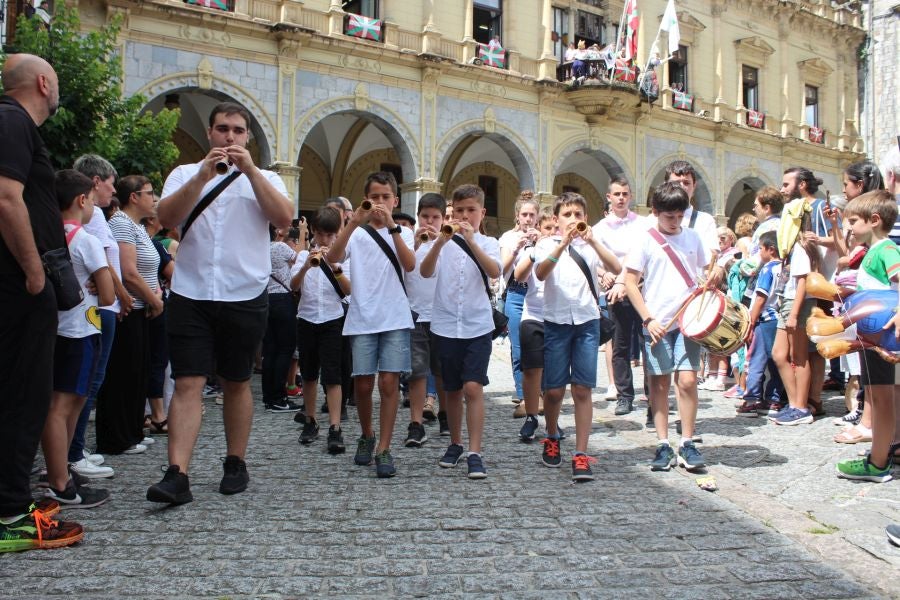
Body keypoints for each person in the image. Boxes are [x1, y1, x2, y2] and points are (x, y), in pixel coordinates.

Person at [147, 102, 293, 504]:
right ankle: (177, 473)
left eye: (238, 130)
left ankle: (235, 460)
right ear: (210, 133)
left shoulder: (266, 178)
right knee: (189, 381)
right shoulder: (183, 173)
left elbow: (283, 218)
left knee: (237, 381)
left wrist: (249, 172)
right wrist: (201, 176)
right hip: (192, 291)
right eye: (223, 129)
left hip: (243, 292)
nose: (230, 137)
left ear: (248, 137)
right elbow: (167, 217)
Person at [0, 53, 85, 552]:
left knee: (22, 392)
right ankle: (11, 513)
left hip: (17, 283)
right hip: (17, 283)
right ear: (43, 83)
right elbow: (7, 198)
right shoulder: (12, 119)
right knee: (23, 393)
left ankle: (10, 500)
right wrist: (35, 273)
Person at [326, 171, 415, 478]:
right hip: (362, 316)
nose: (379, 203)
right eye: (374, 197)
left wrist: (392, 226)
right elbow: (332, 258)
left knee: (389, 383)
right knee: (363, 385)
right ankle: (367, 434)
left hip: (394, 317)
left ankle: (385, 448)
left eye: (385, 197)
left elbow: (410, 265)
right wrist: (353, 222)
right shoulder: (358, 233)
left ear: (395, 200)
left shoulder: (402, 232)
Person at [534, 192, 620, 481]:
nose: (573, 220)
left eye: (578, 215)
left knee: (583, 389)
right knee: (555, 390)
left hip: (586, 322)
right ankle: (552, 434)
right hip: (557, 322)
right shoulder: (547, 243)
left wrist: (592, 240)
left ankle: (581, 453)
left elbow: (617, 268)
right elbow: (541, 273)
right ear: (556, 220)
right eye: (567, 215)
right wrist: (562, 244)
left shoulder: (592, 245)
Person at [624, 182, 710, 472]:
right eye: (668, 217)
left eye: (679, 217)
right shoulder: (645, 239)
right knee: (659, 384)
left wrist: (715, 274)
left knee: (686, 381)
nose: (675, 223)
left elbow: (705, 272)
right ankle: (663, 443)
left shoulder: (693, 237)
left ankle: (687, 441)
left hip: (688, 320)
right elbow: (630, 283)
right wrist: (648, 318)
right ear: (656, 213)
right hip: (657, 322)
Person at [41, 169, 114, 508]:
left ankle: (62, 470)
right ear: (82, 200)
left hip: (52, 329)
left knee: (65, 404)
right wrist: (100, 286)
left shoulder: (45, 234)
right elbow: (110, 294)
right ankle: (60, 482)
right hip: (80, 330)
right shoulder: (86, 240)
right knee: (62, 407)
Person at [421, 184, 501, 479]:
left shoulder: (489, 242)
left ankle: (475, 451)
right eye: (460, 211)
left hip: (477, 324)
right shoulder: (441, 241)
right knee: (451, 389)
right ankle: (455, 442)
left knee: (472, 387)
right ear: (450, 213)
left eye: (471, 210)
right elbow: (426, 272)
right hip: (444, 324)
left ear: (482, 212)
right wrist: (440, 242)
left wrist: (471, 240)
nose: (465, 216)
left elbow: (494, 271)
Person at [68, 153, 127, 479]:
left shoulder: (97, 215)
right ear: (95, 182)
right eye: (110, 183)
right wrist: (118, 293)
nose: (111, 190)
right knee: (89, 380)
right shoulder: (90, 215)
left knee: (91, 379)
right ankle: (73, 451)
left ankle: (75, 447)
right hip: (97, 308)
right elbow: (102, 262)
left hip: (102, 306)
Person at [835, 190, 900, 483]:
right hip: (873, 334)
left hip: (882, 335)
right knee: (879, 394)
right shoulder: (872, 251)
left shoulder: (886, 250)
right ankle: (883, 452)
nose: (849, 227)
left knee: (882, 397)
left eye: (853, 221)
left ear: (873, 220)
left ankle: (877, 462)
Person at [94, 175, 161, 455]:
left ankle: (133, 429)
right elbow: (129, 272)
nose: (154, 198)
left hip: (141, 306)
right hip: (129, 307)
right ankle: (116, 437)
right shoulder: (121, 223)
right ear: (133, 197)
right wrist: (152, 299)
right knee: (122, 373)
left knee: (138, 371)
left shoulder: (138, 227)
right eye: (149, 193)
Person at [291, 206, 351, 452]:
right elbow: (293, 286)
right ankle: (310, 419)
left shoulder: (342, 256)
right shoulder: (301, 255)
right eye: (321, 235)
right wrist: (306, 266)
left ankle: (335, 427)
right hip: (306, 319)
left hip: (332, 319)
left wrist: (334, 268)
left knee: (333, 375)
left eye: (330, 235)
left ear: (337, 233)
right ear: (313, 232)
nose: (325, 240)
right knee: (308, 373)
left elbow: (348, 290)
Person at [593, 177, 646, 416]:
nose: (621, 198)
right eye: (617, 194)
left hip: (641, 287)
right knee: (620, 345)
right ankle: (625, 395)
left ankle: (653, 394)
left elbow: (641, 255)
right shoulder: (600, 228)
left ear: (630, 196)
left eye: (625, 193)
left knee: (648, 343)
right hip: (615, 290)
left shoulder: (643, 224)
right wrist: (603, 274)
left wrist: (624, 278)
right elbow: (594, 259)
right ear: (609, 197)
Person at [404, 193, 447, 447]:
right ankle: (416, 423)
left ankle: (444, 415)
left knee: (441, 372)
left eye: (435, 217)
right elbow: (403, 267)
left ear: (443, 219)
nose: (430, 222)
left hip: (442, 315)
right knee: (417, 373)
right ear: (418, 216)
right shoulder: (409, 241)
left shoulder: (448, 241)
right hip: (415, 313)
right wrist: (418, 244)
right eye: (425, 216)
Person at [514, 208, 555, 440]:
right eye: (546, 228)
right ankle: (531, 416)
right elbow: (519, 277)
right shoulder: (532, 250)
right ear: (539, 229)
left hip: (557, 317)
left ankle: (552, 420)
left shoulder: (565, 250)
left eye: (554, 228)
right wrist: (532, 253)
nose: (551, 232)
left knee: (554, 373)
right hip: (533, 316)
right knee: (531, 370)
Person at [498, 191, 540, 415]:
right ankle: (523, 395)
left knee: (541, 346)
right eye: (524, 214)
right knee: (518, 347)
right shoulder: (507, 238)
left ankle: (539, 393)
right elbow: (501, 270)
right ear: (517, 216)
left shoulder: (543, 236)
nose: (528, 219)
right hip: (515, 294)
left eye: (532, 214)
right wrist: (517, 249)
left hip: (537, 295)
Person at [735, 231, 785, 417]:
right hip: (778, 319)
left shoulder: (767, 269)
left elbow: (761, 298)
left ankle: (752, 399)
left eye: (761, 249)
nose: (759, 253)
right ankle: (773, 398)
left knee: (756, 359)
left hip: (764, 319)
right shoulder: (784, 268)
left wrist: (751, 320)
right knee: (775, 360)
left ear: (770, 249)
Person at [261, 225, 301, 413]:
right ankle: (279, 397)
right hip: (283, 300)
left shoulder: (259, 248)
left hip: (265, 299)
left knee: (270, 351)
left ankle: (269, 397)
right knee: (285, 349)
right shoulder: (279, 247)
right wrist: (303, 232)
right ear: (277, 232)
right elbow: (301, 259)